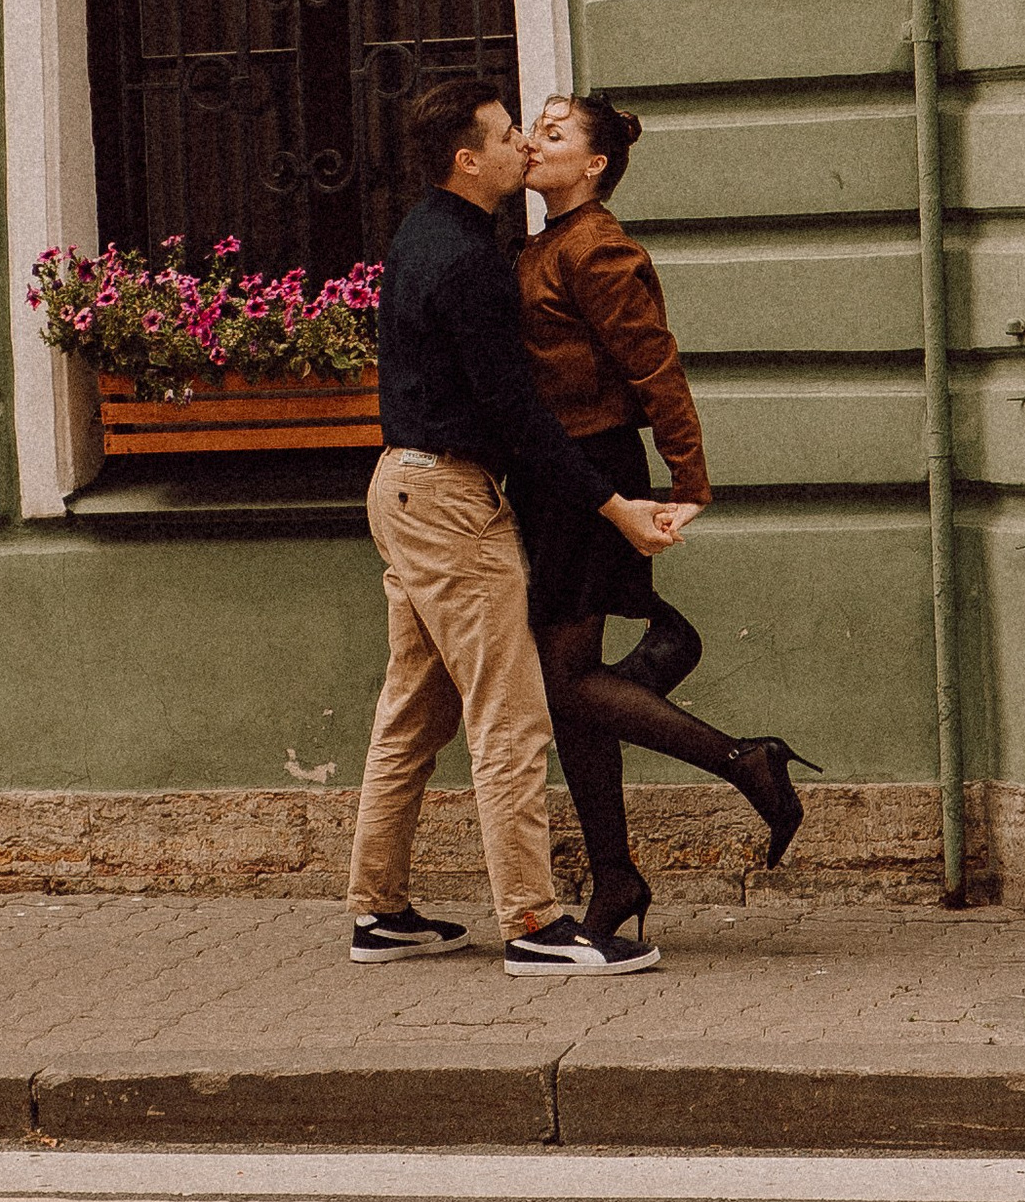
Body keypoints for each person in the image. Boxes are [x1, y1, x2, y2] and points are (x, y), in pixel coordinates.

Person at [345, 76, 684, 976]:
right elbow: (518, 416)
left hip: (402, 488)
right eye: (506, 136)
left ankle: (378, 913)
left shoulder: (428, 231)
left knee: (414, 715)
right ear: (469, 159)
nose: (522, 146)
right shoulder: (471, 262)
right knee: (511, 715)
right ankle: (533, 924)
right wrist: (613, 504)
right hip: (452, 503)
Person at [514, 90, 815, 955]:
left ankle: (742, 760)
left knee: (564, 684)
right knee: (570, 693)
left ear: (595, 164)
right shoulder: (543, 242)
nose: (537, 142)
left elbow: (655, 364)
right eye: (535, 128)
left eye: (556, 133)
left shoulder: (600, 247)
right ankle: (614, 876)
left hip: (591, 471)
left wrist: (691, 477)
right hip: (557, 476)